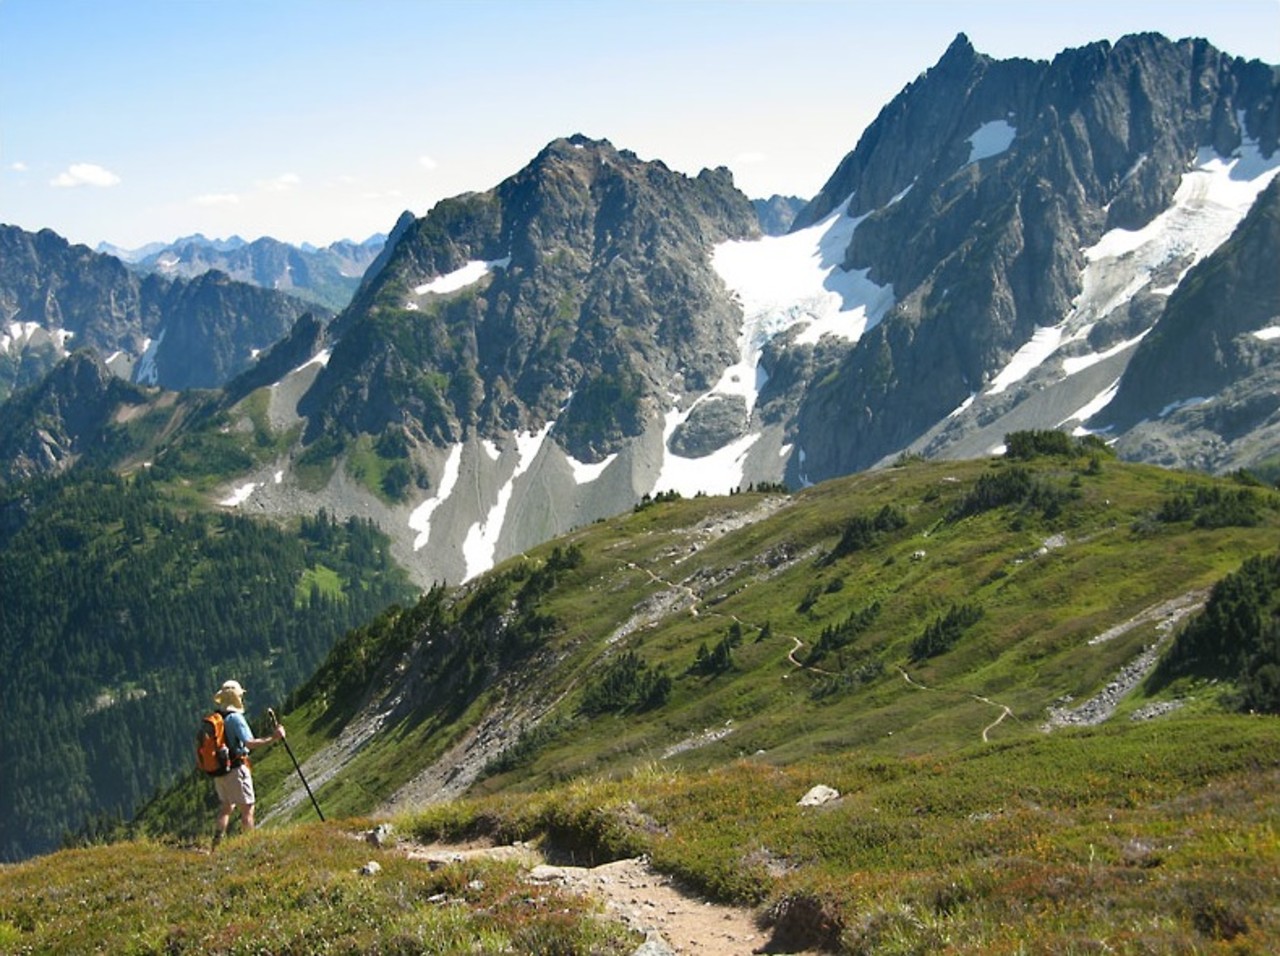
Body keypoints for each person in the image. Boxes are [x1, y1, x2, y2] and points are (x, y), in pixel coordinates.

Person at [211, 679, 285, 847]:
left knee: (226, 807)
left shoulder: (217, 717)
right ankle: (251, 846)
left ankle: (216, 843)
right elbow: (249, 743)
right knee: (248, 808)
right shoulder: (236, 718)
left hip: (219, 770)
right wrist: (273, 738)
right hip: (236, 769)